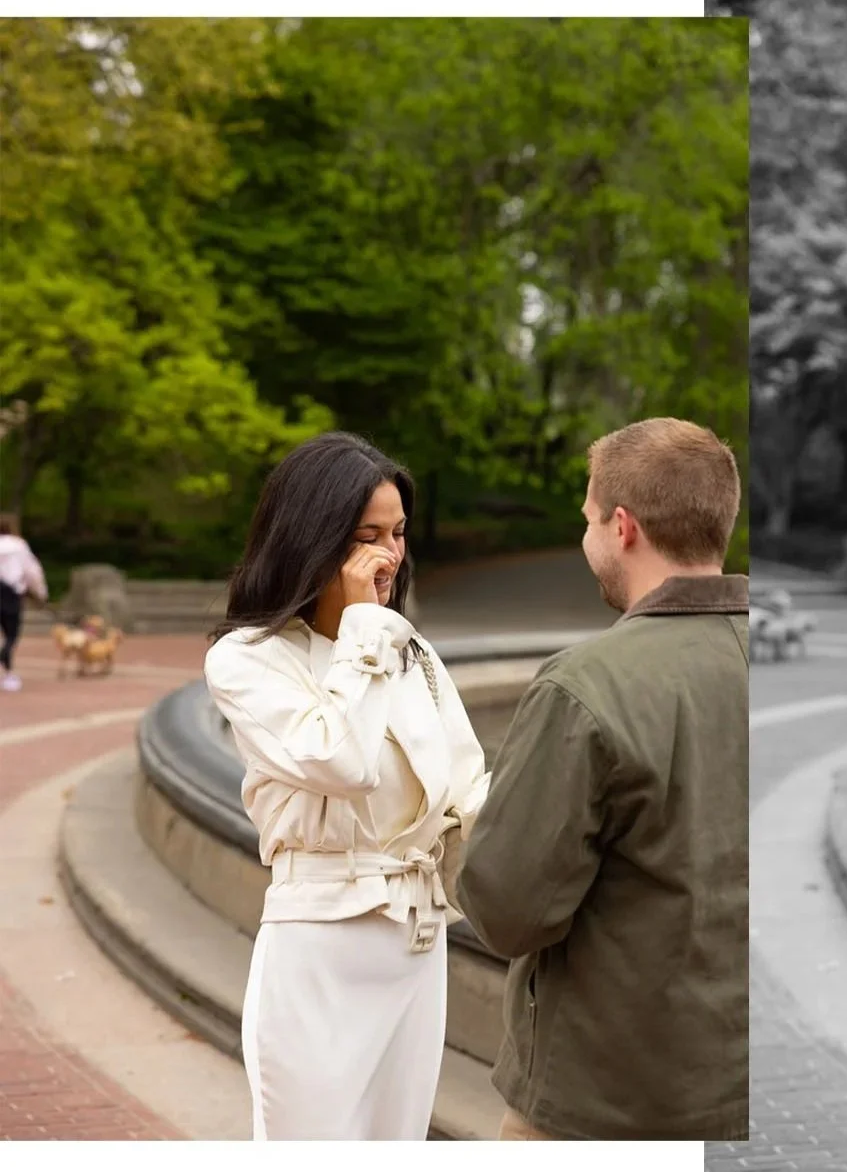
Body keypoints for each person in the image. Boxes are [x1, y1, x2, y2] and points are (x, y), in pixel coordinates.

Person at [456, 417, 749, 1142]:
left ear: (622, 526)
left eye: (587, 519)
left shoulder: (585, 685)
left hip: (603, 1100)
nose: (585, 537)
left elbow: (507, 908)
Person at [203, 431, 489, 1141]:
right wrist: (366, 628)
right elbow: (342, 760)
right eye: (366, 536)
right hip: (319, 952)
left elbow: (468, 789)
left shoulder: (412, 654)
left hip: (418, 946)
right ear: (313, 536)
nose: (389, 555)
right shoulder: (246, 659)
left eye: (396, 533)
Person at [0, 514, 48, 692]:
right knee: (11, 634)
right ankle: (8, 671)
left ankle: (8, 669)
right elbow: (32, 571)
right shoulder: (19, 546)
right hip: (11, 594)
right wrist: (41, 594)